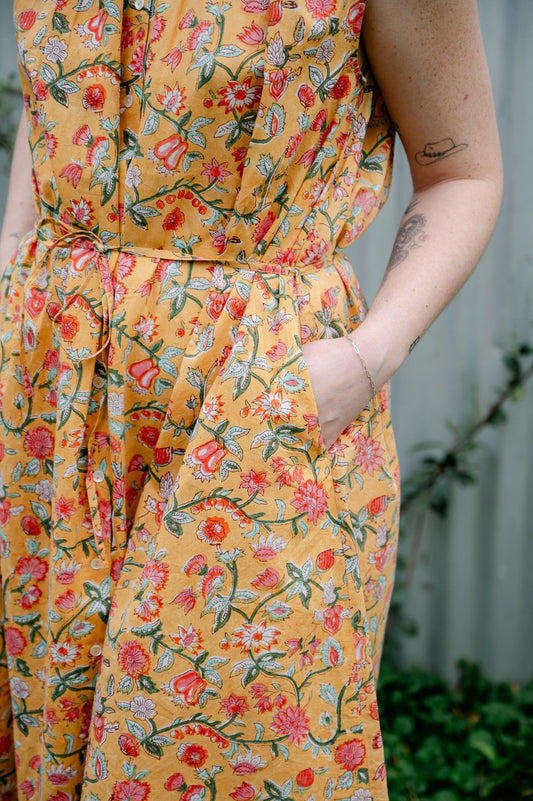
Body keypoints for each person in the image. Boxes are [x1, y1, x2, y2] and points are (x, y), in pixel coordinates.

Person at [0, 1, 502, 799]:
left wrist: (365, 359)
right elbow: (57, 98)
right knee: (45, 723)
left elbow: (462, 172)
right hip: (48, 391)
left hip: (253, 397)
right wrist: (15, 266)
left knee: (222, 747)